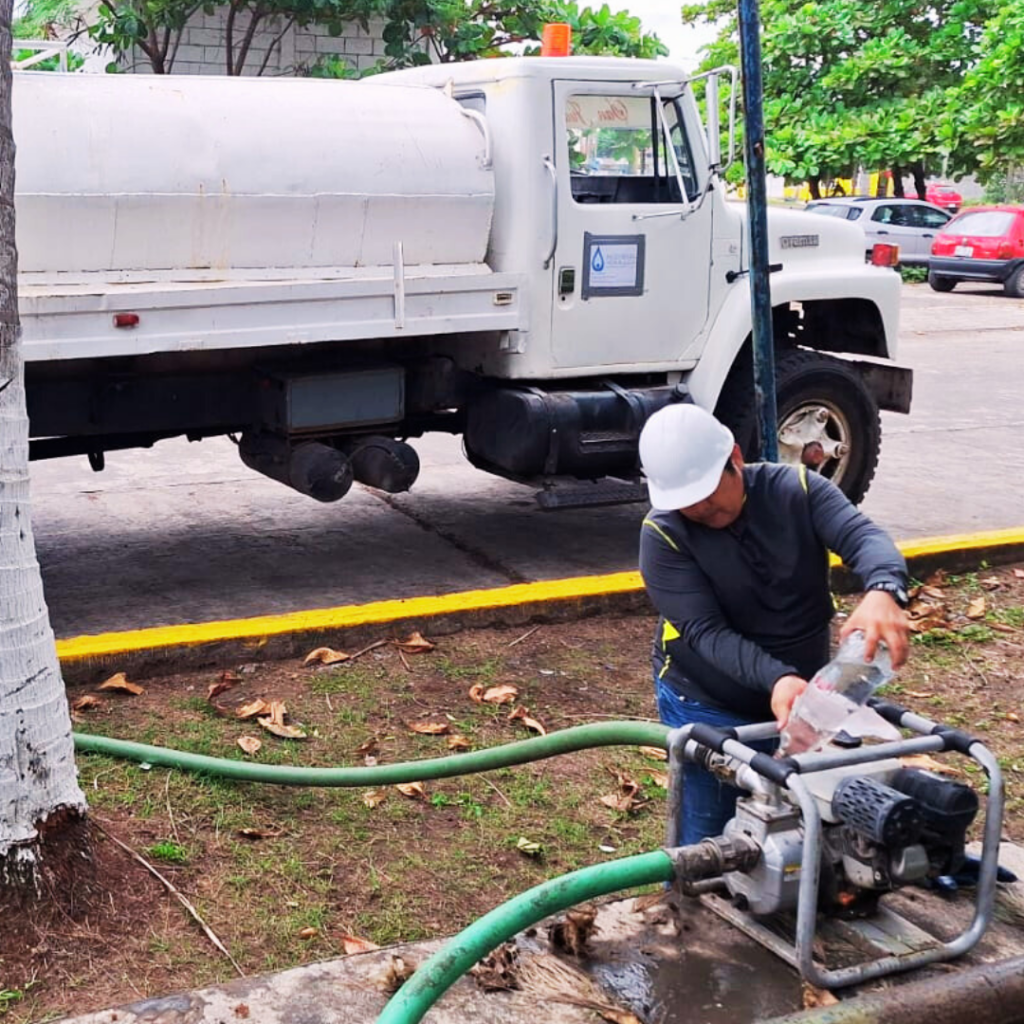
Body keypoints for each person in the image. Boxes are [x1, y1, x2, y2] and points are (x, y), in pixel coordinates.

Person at [637, 403, 910, 845]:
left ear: (736, 458)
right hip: (707, 701)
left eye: (707, 491)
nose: (701, 508)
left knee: (798, 824)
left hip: (804, 698)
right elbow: (706, 632)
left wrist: (883, 589)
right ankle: (684, 909)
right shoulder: (664, 534)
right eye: (686, 502)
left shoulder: (797, 490)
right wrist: (776, 678)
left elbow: (864, 538)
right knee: (709, 837)